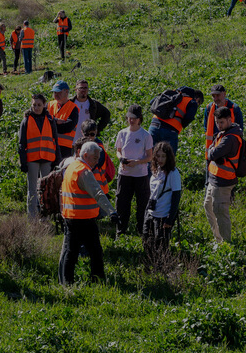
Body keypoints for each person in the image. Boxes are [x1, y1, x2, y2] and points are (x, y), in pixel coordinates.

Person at [58, 141, 118, 286]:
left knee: (70, 252)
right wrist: (112, 212)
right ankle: (96, 280)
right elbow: (98, 193)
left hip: (71, 216)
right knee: (94, 251)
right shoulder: (84, 171)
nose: (97, 161)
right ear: (85, 155)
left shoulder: (72, 167)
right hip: (83, 218)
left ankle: (66, 283)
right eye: (95, 158)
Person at [204, 106, 243, 246]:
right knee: (208, 206)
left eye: (221, 122)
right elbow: (212, 152)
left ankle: (226, 245)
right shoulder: (224, 134)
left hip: (223, 181)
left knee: (220, 212)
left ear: (229, 120)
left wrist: (211, 151)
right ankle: (218, 239)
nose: (218, 125)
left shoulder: (230, 138)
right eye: (217, 122)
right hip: (214, 179)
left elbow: (212, 154)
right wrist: (212, 151)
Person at [114, 105, 153, 236]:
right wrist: (121, 159)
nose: (131, 120)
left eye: (134, 118)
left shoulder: (146, 135)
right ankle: (121, 231)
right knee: (122, 203)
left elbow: (149, 156)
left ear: (139, 119)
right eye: (129, 117)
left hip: (140, 174)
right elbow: (118, 151)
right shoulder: (122, 133)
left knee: (142, 204)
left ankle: (142, 230)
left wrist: (137, 162)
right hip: (124, 173)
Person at [18, 93, 59, 219]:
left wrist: (57, 159)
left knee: (45, 189)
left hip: (47, 158)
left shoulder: (50, 120)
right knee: (32, 189)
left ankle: (45, 215)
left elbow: (55, 140)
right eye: (34, 105)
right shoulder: (26, 120)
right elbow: (21, 143)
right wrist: (23, 162)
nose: (36, 107)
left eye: (39, 105)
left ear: (44, 105)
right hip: (32, 159)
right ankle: (32, 218)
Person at [143, 142, 181, 256]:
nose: (160, 159)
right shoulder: (156, 170)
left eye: (163, 156)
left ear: (168, 157)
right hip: (150, 213)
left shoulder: (173, 173)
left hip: (163, 215)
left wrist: (170, 219)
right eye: (158, 156)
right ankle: (149, 268)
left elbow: (176, 197)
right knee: (147, 241)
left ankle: (162, 270)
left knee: (161, 247)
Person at [148, 86, 202, 157]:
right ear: (197, 99)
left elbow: (152, 102)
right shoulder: (192, 102)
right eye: (199, 103)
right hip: (170, 131)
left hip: (154, 126)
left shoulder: (170, 93)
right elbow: (188, 118)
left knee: (150, 157)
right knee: (168, 161)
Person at [202, 84, 243, 150]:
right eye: (213, 96)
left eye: (218, 95)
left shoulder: (234, 109)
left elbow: (240, 129)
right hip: (213, 148)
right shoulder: (209, 108)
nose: (215, 99)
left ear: (224, 94)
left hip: (230, 147)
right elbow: (206, 128)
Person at [48, 81, 80, 162]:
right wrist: (56, 121)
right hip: (49, 145)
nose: (56, 94)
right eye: (55, 92)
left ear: (66, 92)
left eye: (58, 92)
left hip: (64, 147)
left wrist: (51, 124)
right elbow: (44, 120)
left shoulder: (73, 108)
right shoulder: (49, 105)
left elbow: (68, 127)